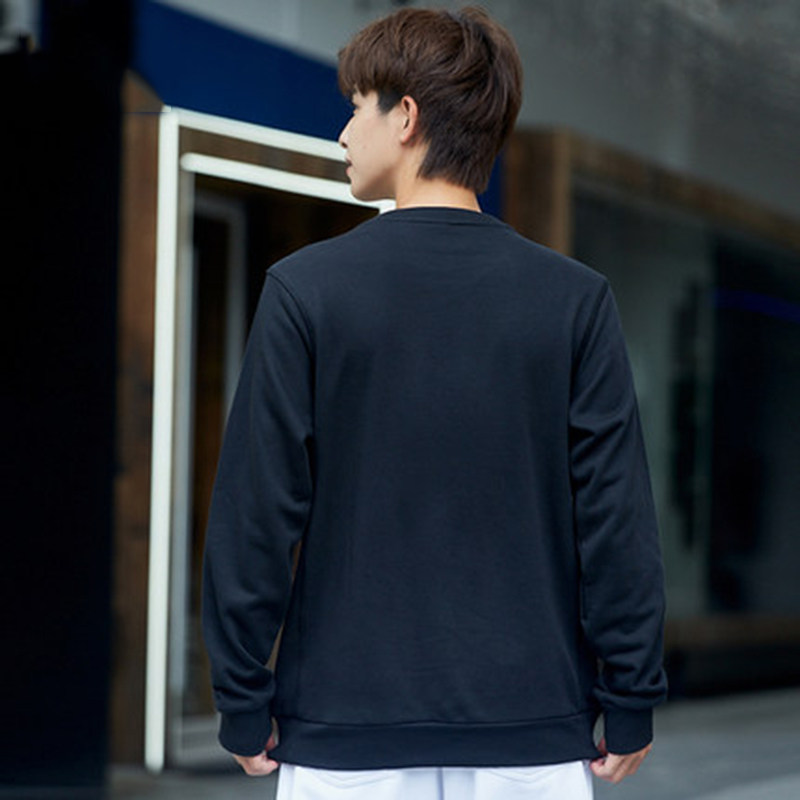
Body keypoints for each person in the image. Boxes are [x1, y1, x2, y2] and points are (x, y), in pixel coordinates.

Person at [202, 6, 667, 799]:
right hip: (532, 731)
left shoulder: (306, 291)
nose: (344, 133)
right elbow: (614, 515)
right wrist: (630, 695)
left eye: (357, 107)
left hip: (345, 732)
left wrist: (242, 697)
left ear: (406, 117)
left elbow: (257, 511)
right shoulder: (574, 300)